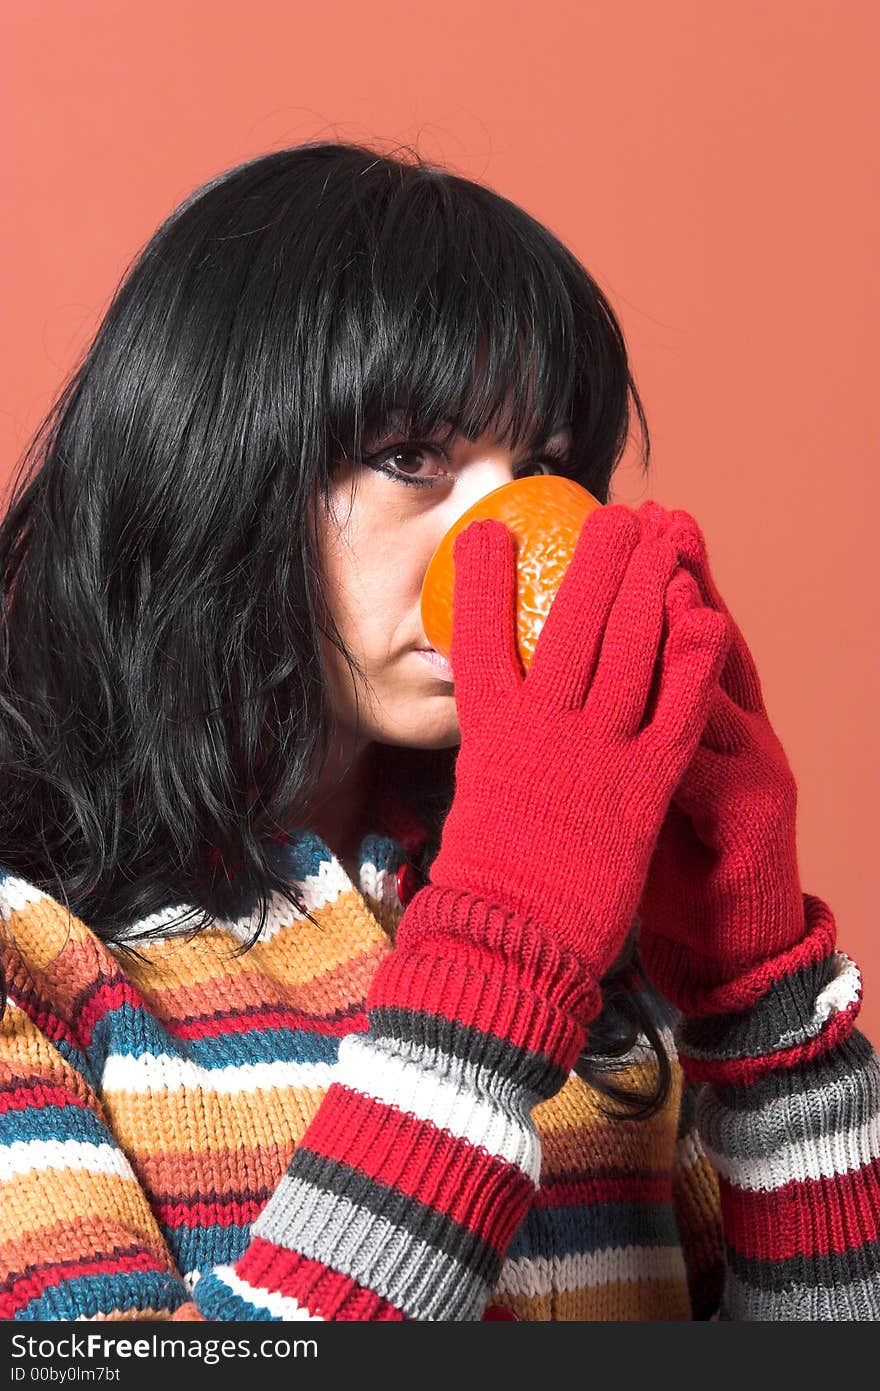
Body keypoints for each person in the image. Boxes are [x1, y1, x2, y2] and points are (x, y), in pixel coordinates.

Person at [1, 141, 877, 1323]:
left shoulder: (603, 957)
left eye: (546, 466)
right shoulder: (35, 954)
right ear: (213, 460)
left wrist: (760, 1003)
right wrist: (500, 952)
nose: (507, 535)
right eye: (411, 455)